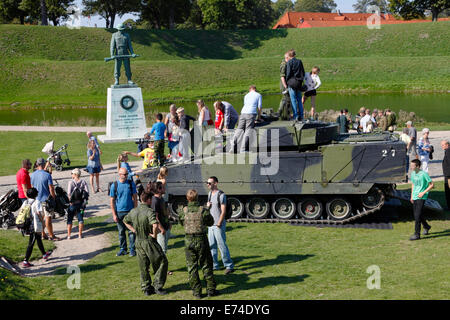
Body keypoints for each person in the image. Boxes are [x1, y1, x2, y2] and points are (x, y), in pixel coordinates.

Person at [123, 190, 168, 296]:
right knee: (162, 261)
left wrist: (133, 230)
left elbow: (125, 221)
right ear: (148, 200)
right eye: (151, 199)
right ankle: (158, 286)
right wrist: (154, 235)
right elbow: (155, 224)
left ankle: (146, 288)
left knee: (143, 266)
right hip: (148, 241)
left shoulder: (133, 211)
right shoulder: (149, 211)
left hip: (138, 241)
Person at [178, 189, 218, 299]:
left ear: (187, 198)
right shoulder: (203, 210)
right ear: (197, 198)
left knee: (192, 267)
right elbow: (210, 222)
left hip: (189, 241)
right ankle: (211, 290)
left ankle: (197, 292)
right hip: (201, 240)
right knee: (206, 265)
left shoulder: (183, 211)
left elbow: (181, 222)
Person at [206, 176, 234, 274]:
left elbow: (223, 211)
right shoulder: (209, 194)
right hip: (211, 225)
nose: (208, 184)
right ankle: (215, 265)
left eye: (210, 183)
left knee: (221, 245)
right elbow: (209, 209)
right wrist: (207, 206)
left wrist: (219, 223)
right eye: (207, 183)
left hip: (218, 224)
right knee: (211, 246)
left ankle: (229, 265)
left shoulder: (221, 195)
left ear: (216, 183)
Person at [21, 188, 53, 268]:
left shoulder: (25, 202)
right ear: (36, 194)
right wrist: (42, 222)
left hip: (27, 224)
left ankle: (44, 254)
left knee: (38, 238)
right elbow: (39, 213)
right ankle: (25, 260)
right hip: (34, 225)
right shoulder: (37, 202)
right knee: (31, 243)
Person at [110, 167, 138, 257]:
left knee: (131, 232)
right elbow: (112, 201)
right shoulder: (114, 185)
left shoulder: (130, 184)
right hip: (119, 212)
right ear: (119, 174)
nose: (126, 176)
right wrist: (114, 214)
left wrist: (135, 210)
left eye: (127, 174)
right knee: (121, 232)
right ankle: (123, 249)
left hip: (130, 211)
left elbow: (135, 198)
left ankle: (132, 249)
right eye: (124, 174)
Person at [30, 157, 59, 241]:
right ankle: (51, 235)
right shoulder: (47, 175)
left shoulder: (33, 175)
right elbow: (51, 188)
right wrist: (54, 197)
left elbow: (32, 188)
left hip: (37, 200)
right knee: (48, 218)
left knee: (41, 218)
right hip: (46, 200)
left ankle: (43, 234)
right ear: (43, 164)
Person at [231, 85, 262, 153]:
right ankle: (243, 149)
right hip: (251, 113)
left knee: (239, 130)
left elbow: (245, 104)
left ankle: (232, 148)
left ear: (250, 89)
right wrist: (259, 118)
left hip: (242, 113)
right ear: (255, 89)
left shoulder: (246, 95)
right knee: (248, 130)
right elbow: (259, 107)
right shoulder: (258, 95)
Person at [409, 159, 433, 241]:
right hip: (415, 196)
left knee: (417, 216)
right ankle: (426, 226)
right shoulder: (412, 174)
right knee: (418, 214)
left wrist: (423, 193)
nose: (411, 167)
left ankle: (417, 234)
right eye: (411, 165)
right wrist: (411, 196)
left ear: (418, 166)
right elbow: (413, 184)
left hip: (421, 197)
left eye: (413, 166)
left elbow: (431, 185)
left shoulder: (424, 174)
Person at [66, 168, 89, 239]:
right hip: (81, 204)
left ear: (75, 174)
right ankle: (80, 235)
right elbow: (87, 192)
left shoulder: (71, 182)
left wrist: (70, 202)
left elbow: (69, 193)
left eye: (72, 173)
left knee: (70, 219)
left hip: (72, 204)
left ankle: (69, 235)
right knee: (80, 218)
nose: (71, 175)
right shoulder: (83, 182)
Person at [285, 49, 305, 121]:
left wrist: (287, 82)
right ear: (294, 55)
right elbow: (303, 72)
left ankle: (295, 116)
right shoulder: (299, 61)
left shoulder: (289, 63)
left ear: (289, 56)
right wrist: (301, 80)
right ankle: (301, 115)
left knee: (293, 100)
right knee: (299, 100)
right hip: (299, 83)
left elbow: (288, 73)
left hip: (291, 83)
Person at [278, 52, 292, 121]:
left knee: (285, 99)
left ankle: (282, 114)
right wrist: (285, 86)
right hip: (284, 85)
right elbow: (282, 76)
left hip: (285, 84)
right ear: (287, 58)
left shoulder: (286, 64)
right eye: (290, 58)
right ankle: (281, 113)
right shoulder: (284, 64)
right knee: (286, 99)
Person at [441, 140, 450, 210]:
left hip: (448, 176)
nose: (442, 146)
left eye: (443, 145)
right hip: (447, 175)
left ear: (447, 145)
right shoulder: (447, 151)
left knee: (448, 191)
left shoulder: (448, 151)